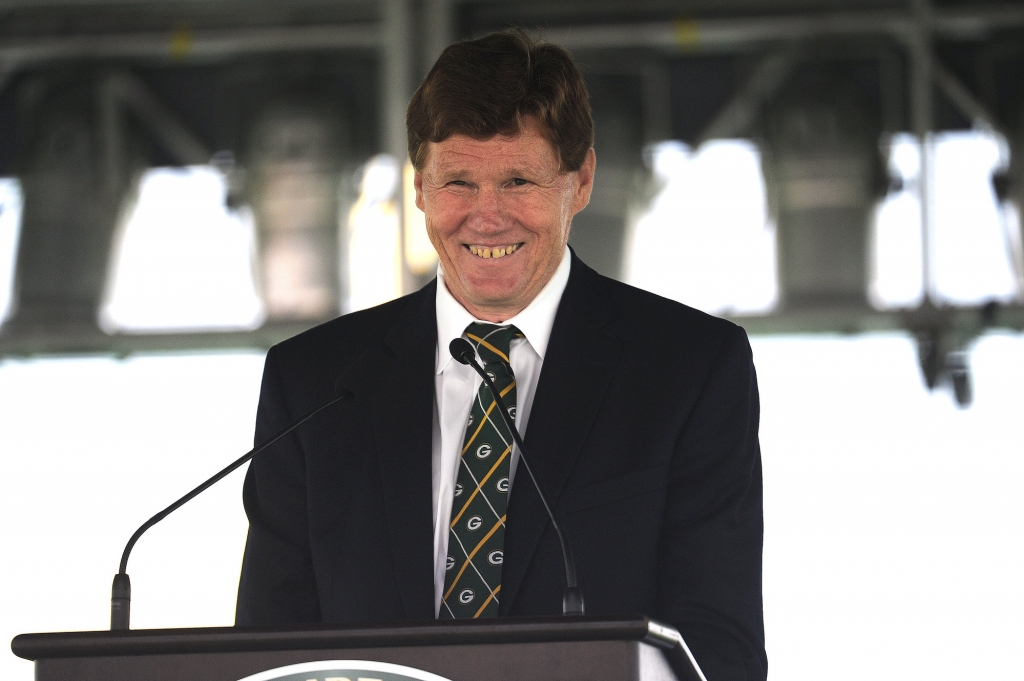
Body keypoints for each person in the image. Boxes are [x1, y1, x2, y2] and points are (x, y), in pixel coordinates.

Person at [236, 29, 766, 680]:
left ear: (582, 180)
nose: (487, 218)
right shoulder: (314, 383)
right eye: (459, 181)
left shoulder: (688, 370)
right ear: (422, 189)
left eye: (518, 180)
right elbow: (266, 656)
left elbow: (721, 652)